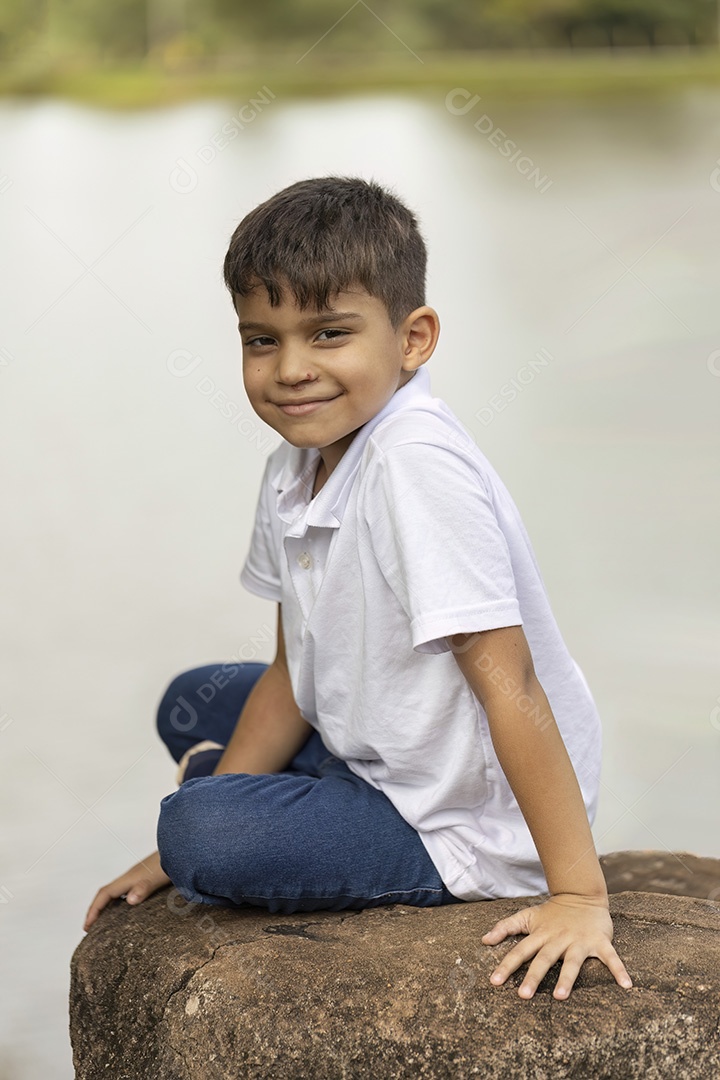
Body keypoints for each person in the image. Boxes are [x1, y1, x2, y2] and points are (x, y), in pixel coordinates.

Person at [84, 176, 633, 1002]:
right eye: (261, 341)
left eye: (329, 334)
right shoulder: (293, 468)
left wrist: (577, 895)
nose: (291, 370)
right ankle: (285, 799)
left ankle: (283, 811)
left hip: (457, 822)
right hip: (378, 749)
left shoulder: (413, 469)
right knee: (190, 699)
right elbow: (289, 673)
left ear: (414, 338)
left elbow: (509, 679)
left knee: (199, 831)